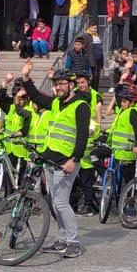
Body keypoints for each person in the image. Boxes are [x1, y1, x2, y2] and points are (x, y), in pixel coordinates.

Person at [19, 59, 90, 257]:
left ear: (71, 85)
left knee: (61, 202)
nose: (58, 87)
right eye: (56, 84)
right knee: (55, 202)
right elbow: (35, 96)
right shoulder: (57, 103)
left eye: (62, 84)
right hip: (50, 159)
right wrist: (26, 77)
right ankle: (62, 239)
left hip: (66, 161)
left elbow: (82, 136)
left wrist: (74, 159)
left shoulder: (81, 106)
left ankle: (73, 242)